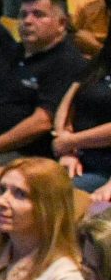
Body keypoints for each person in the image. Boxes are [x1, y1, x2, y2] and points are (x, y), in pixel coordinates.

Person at [0, 0, 87, 239]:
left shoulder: (68, 63)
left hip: (25, 151)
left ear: (62, 23)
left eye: (39, 15)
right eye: (23, 14)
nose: (27, 21)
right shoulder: (8, 50)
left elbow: (41, 122)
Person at [54, 35, 111, 192]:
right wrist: (67, 151)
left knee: (54, 194)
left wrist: (71, 141)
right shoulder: (102, 59)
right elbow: (68, 102)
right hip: (75, 155)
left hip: (104, 168)